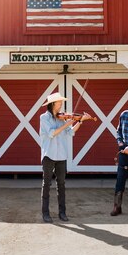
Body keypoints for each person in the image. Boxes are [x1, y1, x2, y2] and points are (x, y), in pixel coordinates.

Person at [39, 92, 92, 223]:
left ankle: (62, 213)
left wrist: (80, 121)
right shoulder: (44, 118)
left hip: (61, 155)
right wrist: (68, 123)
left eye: (61, 102)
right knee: (46, 184)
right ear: (52, 104)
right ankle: (45, 213)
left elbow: (71, 132)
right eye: (59, 102)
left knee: (61, 184)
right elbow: (52, 133)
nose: (61, 104)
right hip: (48, 155)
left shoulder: (62, 117)